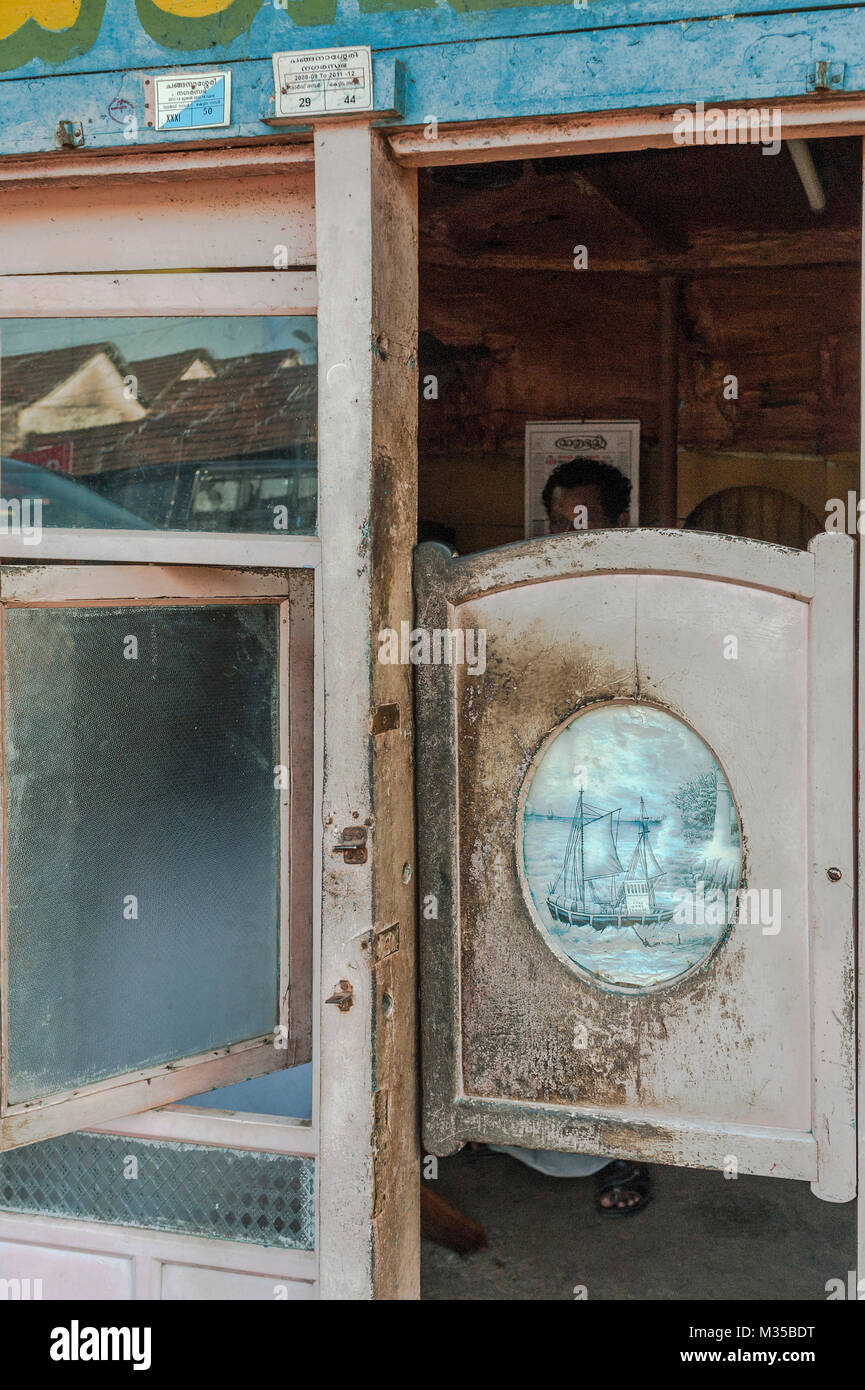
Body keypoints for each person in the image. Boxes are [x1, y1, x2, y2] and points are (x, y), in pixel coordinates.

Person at [487, 456, 652, 1215]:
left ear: (619, 519)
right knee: (547, 962)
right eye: (559, 522)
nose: (570, 534)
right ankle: (529, 1120)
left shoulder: (655, 585)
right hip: (556, 791)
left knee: (625, 977)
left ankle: (628, 1152)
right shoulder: (535, 586)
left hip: (631, 789)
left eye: (583, 520)